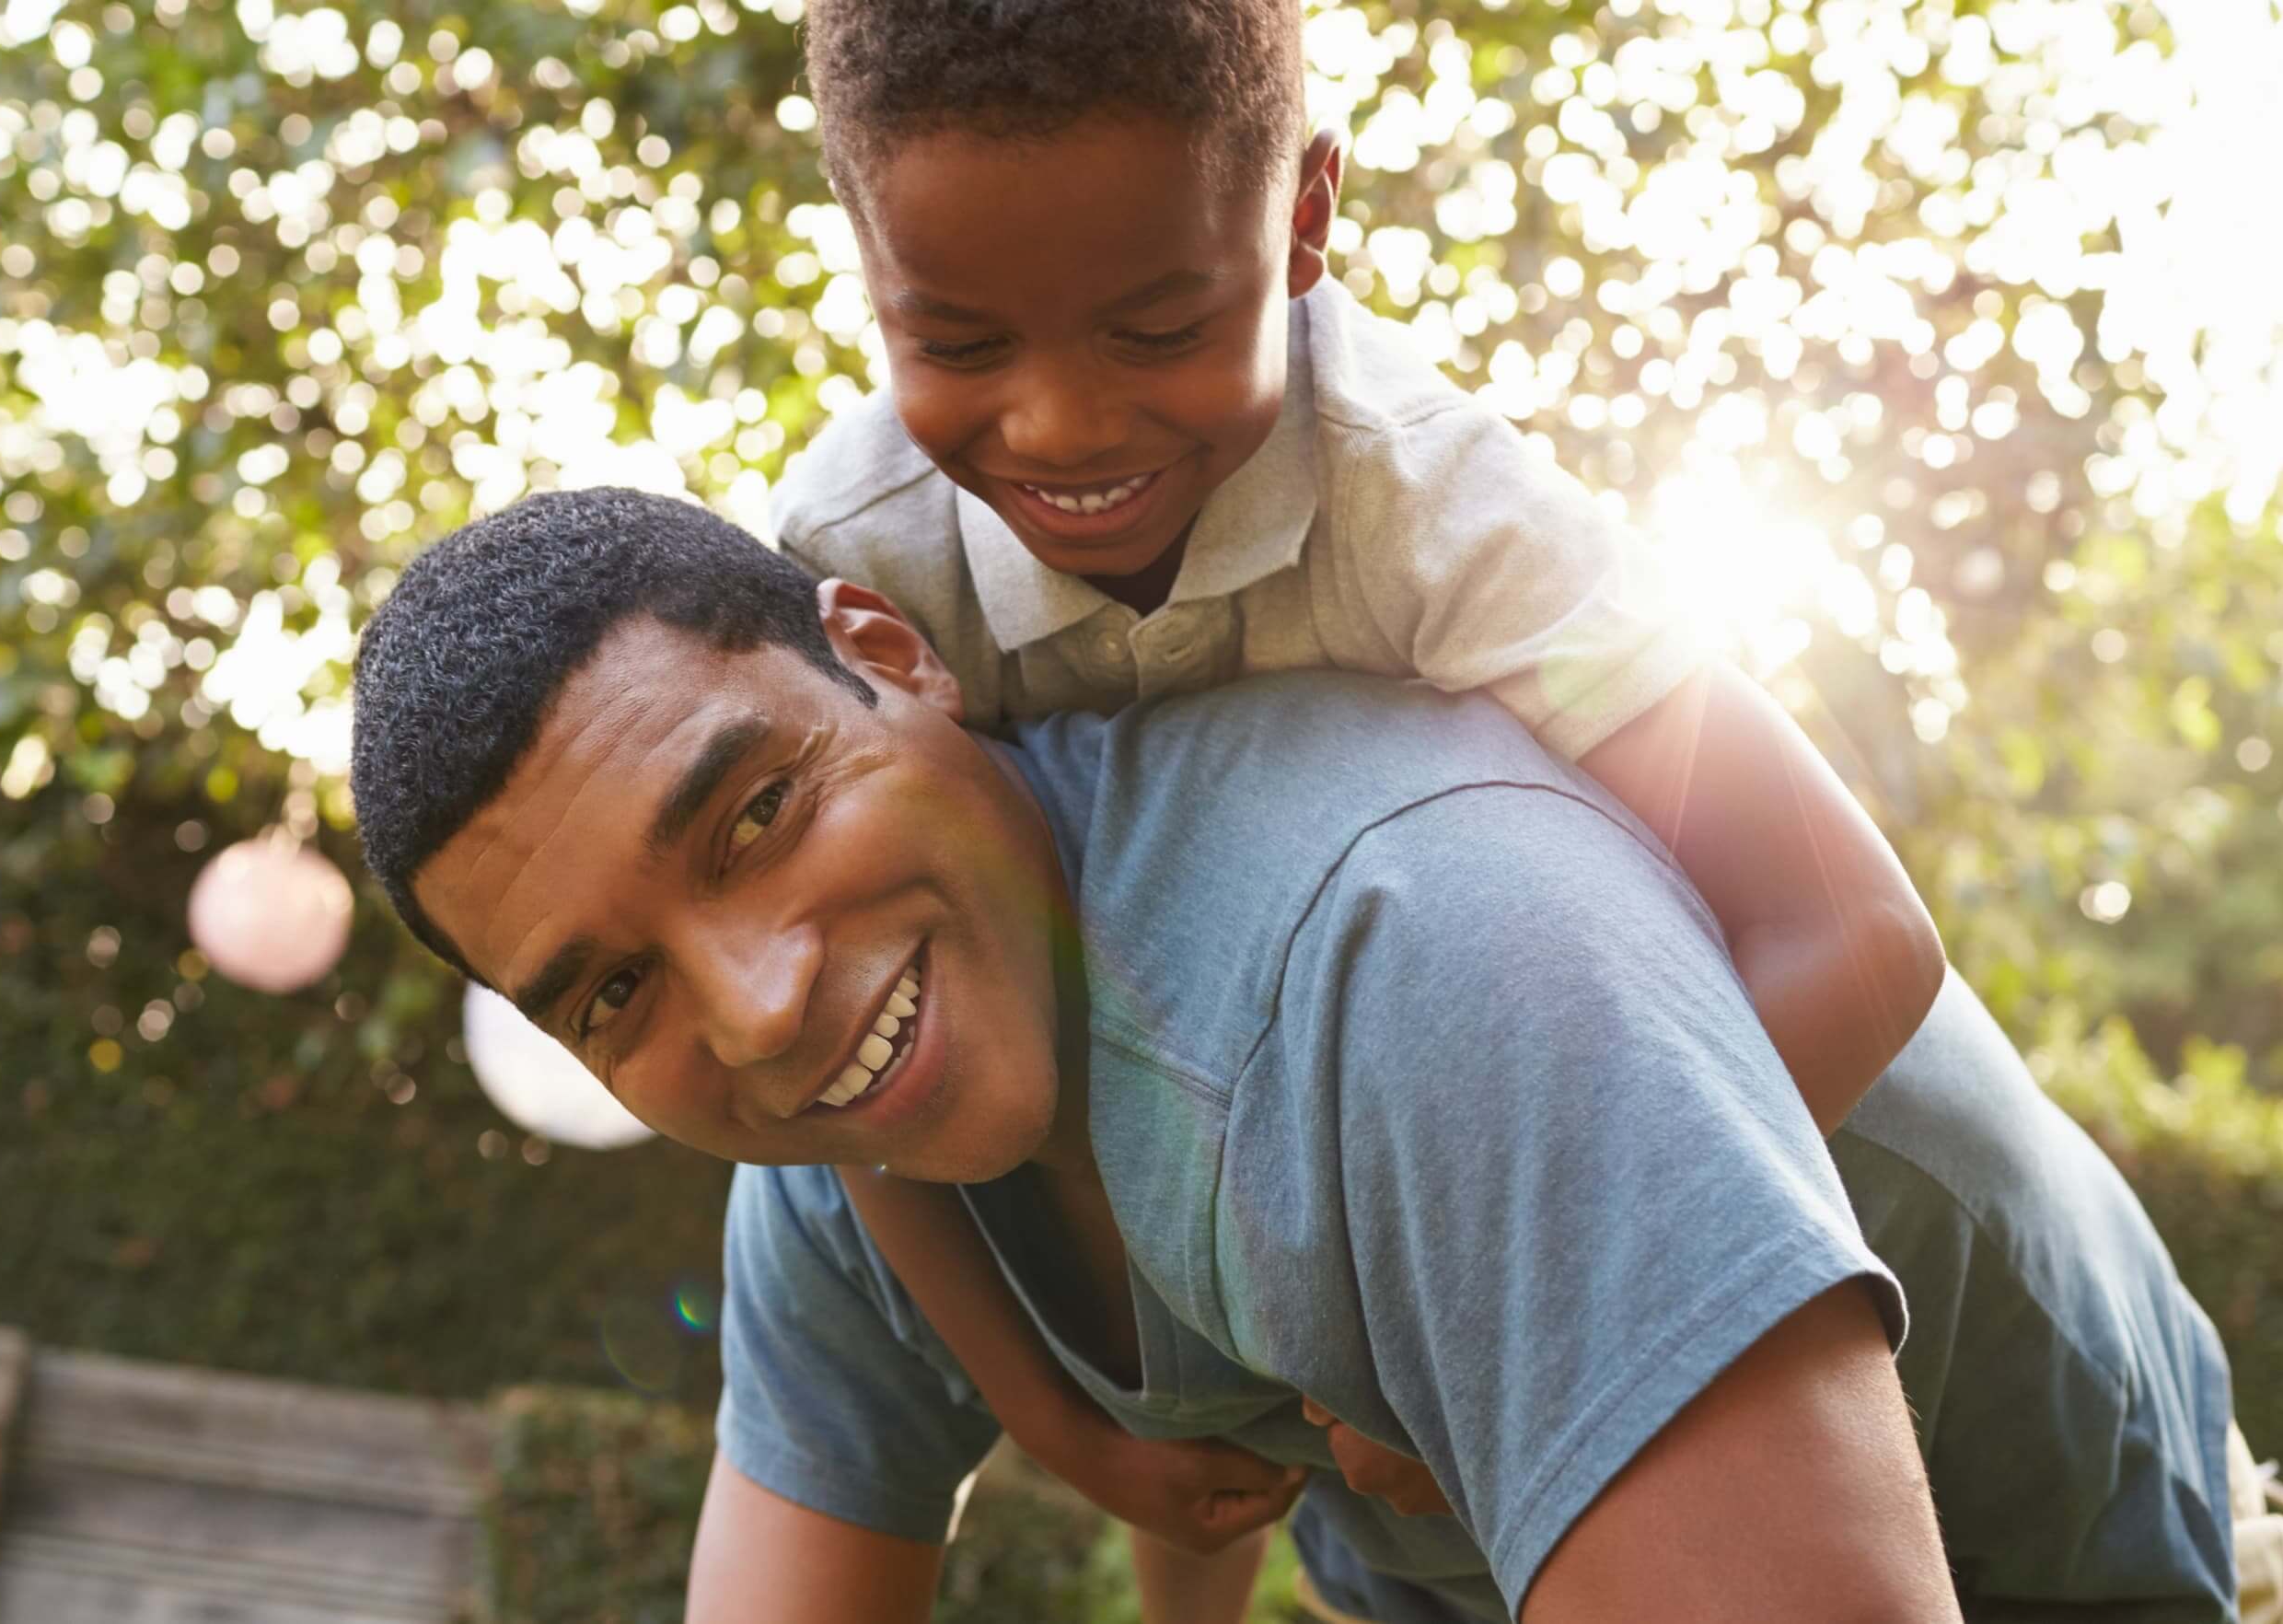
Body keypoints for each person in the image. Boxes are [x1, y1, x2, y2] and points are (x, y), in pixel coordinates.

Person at [346, 490, 2254, 1622]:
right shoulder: (865, 1135)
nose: (753, 1010)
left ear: (892, 654)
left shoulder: (1410, 947)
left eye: (756, 811)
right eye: (609, 995)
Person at [768, 0, 1956, 1577]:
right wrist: (1061, 1427)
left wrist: (1489, 1328)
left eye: (1159, 328)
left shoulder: (1441, 509)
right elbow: (858, 1057)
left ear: (1307, 218)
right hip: (1211, 1145)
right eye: (960, 342)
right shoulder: (863, 559)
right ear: (867, 272)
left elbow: (1856, 936)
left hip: (1776, 1232)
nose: (1061, 422)